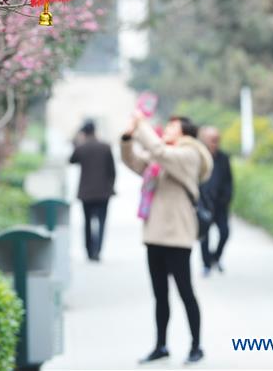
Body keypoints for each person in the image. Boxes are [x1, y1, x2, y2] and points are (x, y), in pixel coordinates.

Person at [121, 112, 213, 366]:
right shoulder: (161, 158)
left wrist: (142, 125)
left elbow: (160, 152)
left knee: (186, 293)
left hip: (178, 237)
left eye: (172, 127)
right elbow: (134, 161)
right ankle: (161, 345)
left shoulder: (189, 155)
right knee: (159, 295)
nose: (168, 130)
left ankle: (196, 346)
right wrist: (128, 137)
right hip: (154, 235)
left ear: (185, 132)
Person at [69, 120, 116, 262]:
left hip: (86, 192)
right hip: (103, 192)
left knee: (87, 222)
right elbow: (112, 171)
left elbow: (71, 160)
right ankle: (98, 250)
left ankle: (89, 251)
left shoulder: (82, 147)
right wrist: (110, 186)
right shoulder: (105, 147)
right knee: (102, 222)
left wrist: (76, 140)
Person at [199, 126, 233, 275]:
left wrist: (226, 197)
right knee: (204, 236)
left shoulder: (223, 157)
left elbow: (229, 180)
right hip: (204, 203)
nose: (215, 142)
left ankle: (216, 257)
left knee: (224, 232)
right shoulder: (199, 156)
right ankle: (206, 264)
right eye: (212, 139)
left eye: (217, 139)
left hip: (220, 204)